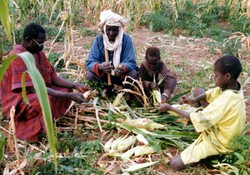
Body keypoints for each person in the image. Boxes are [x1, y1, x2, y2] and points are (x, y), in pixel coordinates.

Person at [0, 23, 90, 142]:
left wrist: (75, 85)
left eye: (43, 42)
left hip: (36, 90)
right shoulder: (18, 57)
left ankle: (49, 118)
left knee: (65, 89)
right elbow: (34, 89)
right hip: (19, 99)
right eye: (39, 42)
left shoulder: (38, 53)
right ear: (28, 40)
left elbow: (53, 77)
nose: (42, 46)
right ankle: (39, 130)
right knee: (44, 100)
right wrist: (69, 96)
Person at [156, 55, 246, 171]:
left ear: (227, 76)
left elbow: (198, 118)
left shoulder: (227, 99)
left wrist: (170, 108)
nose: (214, 78)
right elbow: (213, 92)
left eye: (216, 76)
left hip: (220, 142)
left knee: (175, 164)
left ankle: (211, 155)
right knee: (198, 92)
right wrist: (193, 100)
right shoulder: (234, 87)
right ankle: (207, 149)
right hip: (220, 124)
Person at [85, 10, 138, 98]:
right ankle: (104, 90)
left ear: (119, 29)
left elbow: (131, 62)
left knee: (133, 74)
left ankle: (125, 93)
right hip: (104, 76)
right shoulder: (99, 39)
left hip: (120, 76)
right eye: (108, 30)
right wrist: (100, 66)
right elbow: (90, 62)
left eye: (114, 30)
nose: (111, 33)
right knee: (89, 75)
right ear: (104, 29)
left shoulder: (126, 39)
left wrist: (123, 67)